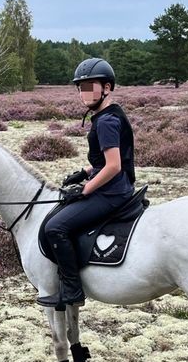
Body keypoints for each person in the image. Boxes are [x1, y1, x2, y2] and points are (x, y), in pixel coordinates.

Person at [37, 58, 136, 309]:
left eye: (90, 86)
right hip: (115, 186)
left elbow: (114, 165)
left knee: (55, 227)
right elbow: (108, 160)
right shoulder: (109, 114)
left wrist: (85, 189)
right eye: (81, 87)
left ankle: (72, 289)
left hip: (111, 192)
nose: (84, 93)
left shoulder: (106, 121)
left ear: (107, 88)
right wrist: (85, 171)